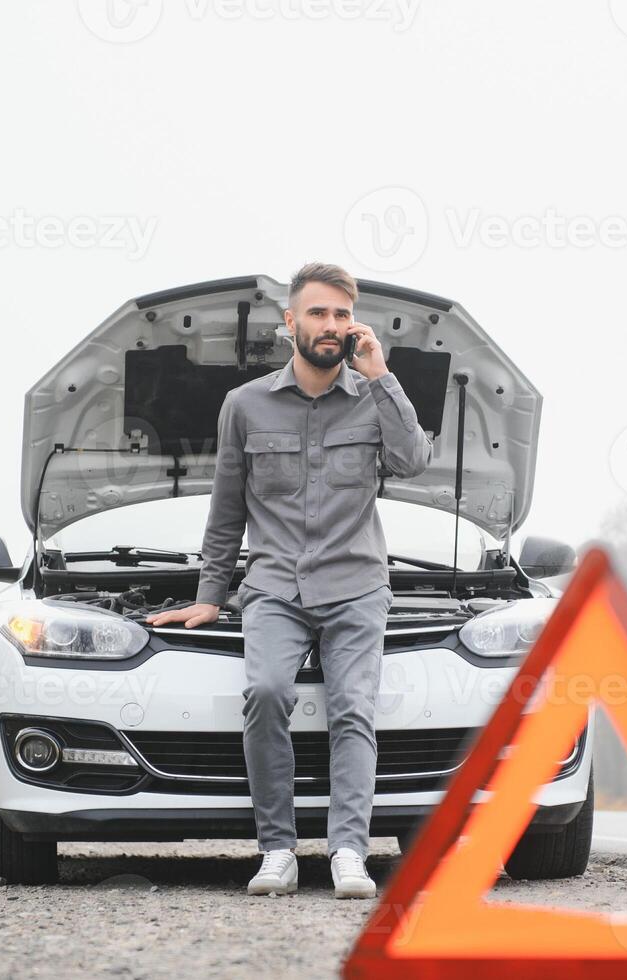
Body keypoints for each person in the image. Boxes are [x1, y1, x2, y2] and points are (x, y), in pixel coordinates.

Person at [145, 262, 433, 898]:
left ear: (351, 324)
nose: (329, 325)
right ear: (290, 323)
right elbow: (226, 510)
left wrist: (382, 375)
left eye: (340, 315)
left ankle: (348, 854)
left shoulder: (372, 397)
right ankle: (277, 849)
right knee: (268, 694)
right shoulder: (243, 406)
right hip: (275, 588)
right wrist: (208, 597)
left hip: (357, 585)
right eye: (317, 313)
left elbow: (414, 460)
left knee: (353, 709)